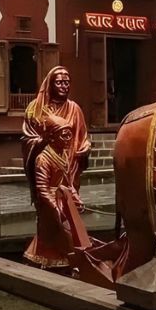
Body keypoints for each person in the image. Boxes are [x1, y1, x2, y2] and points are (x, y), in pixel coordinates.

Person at [21, 66, 91, 269]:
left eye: (67, 82)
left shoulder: (74, 109)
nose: (64, 86)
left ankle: (71, 255)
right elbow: (28, 138)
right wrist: (44, 141)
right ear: (51, 84)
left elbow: (82, 136)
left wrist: (83, 148)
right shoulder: (35, 108)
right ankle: (47, 254)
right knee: (51, 217)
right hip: (48, 164)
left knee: (69, 215)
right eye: (60, 82)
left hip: (69, 166)